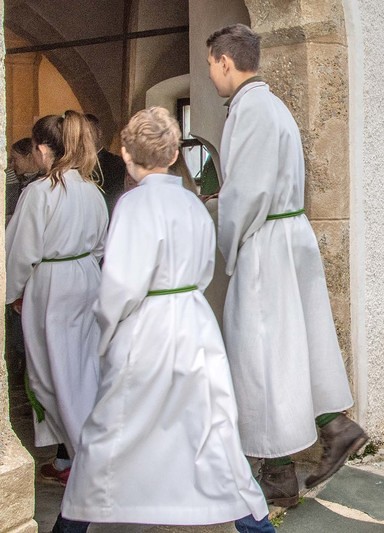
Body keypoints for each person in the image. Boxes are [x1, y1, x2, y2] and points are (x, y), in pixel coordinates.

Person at [56, 107, 273, 533]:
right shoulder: (192, 203)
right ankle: (256, 525)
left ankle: (70, 526)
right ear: (175, 154)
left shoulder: (132, 205)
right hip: (194, 324)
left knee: (111, 430)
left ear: (126, 154)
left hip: (146, 328)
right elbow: (206, 266)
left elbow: (120, 284)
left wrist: (107, 333)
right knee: (212, 428)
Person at [206, 23, 366, 507]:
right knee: (298, 345)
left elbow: (246, 194)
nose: (211, 74)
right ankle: (335, 428)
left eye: (211, 64)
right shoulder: (273, 106)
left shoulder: (251, 110)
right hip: (289, 235)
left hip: (265, 242)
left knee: (259, 357)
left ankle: (277, 475)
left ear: (225, 62)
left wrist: (227, 244)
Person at [5, 111, 107, 485]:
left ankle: (86, 461)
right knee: (84, 372)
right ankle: (84, 454)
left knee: (55, 377)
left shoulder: (39, 193)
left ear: (43, 150)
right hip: (87, 279)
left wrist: (13, 292)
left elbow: (20, 251)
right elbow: (100, 244)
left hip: (52, 286)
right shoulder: (91, 190)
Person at [85, 113, 127, 215]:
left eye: (89, 133)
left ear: (99, 133)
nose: (85, 138)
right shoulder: (75, 166)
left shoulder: (116, 163)